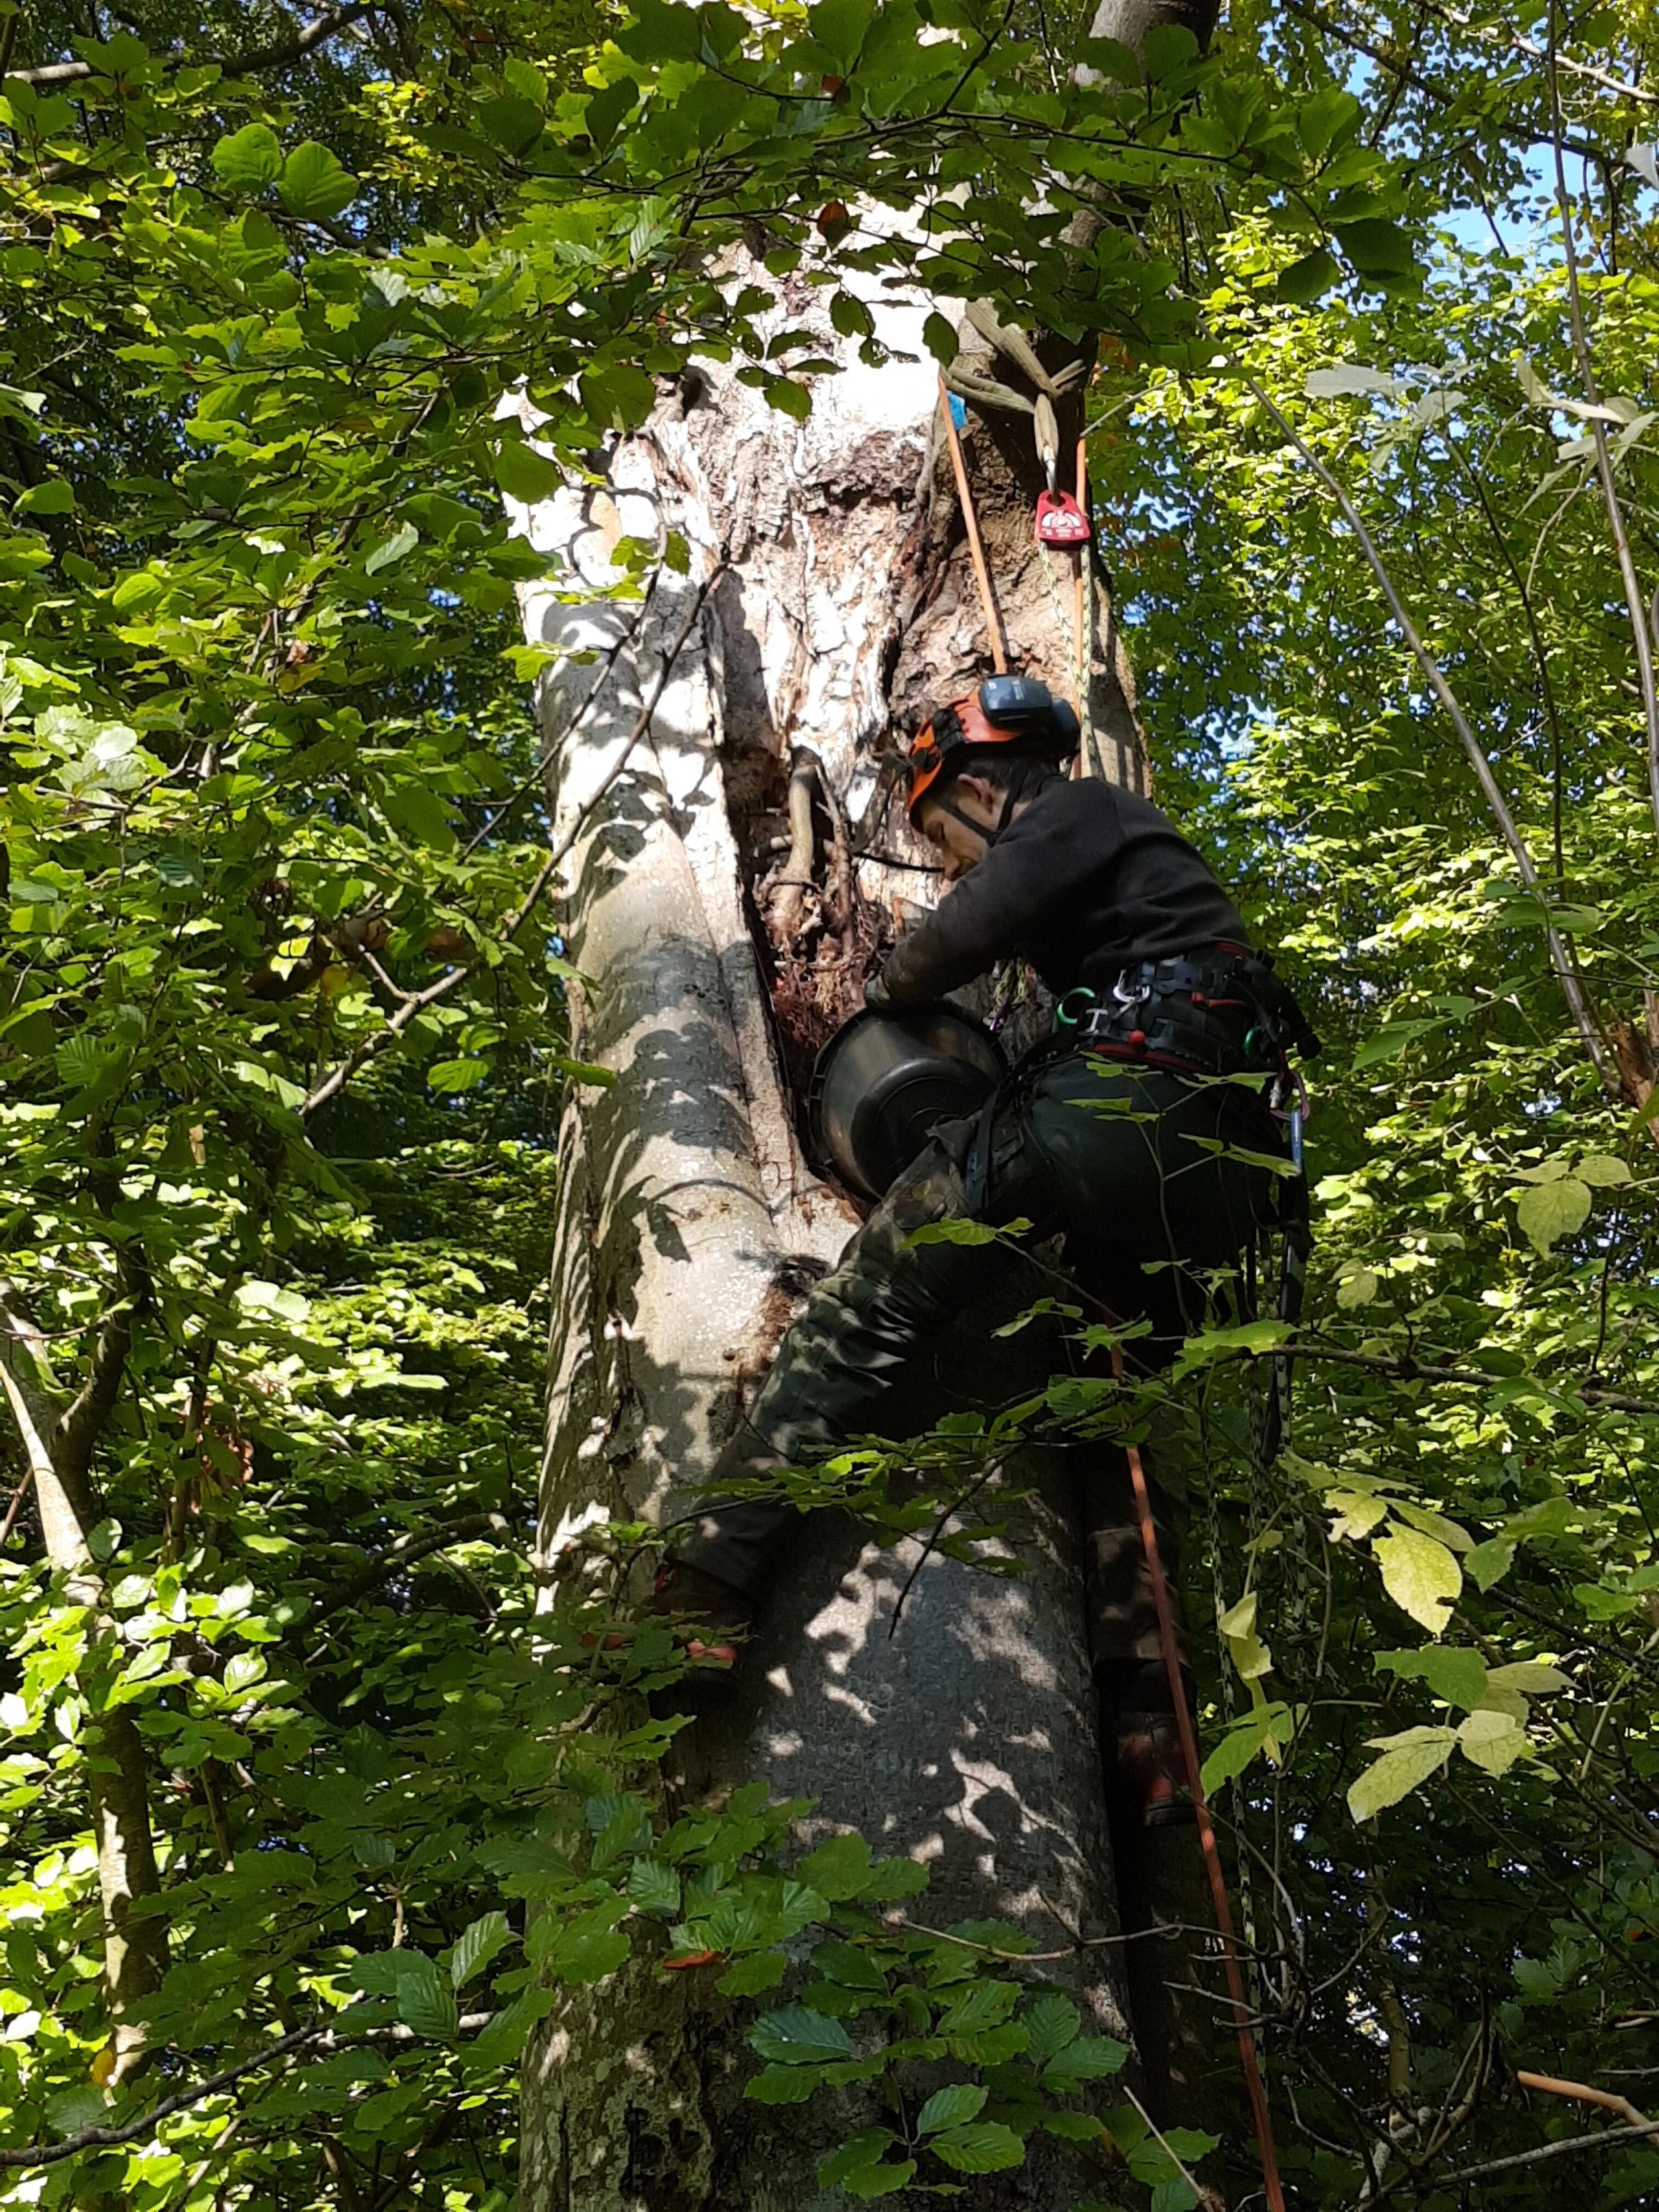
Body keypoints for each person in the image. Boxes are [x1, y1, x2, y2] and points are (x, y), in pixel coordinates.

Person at [650, 675, 1316, 1826]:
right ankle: (1146, 1722)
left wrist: (888, 979)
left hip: (1116, 1106)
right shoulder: (1146, 873)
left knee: (870, 1305)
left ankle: (708, 1576)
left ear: (974, 780)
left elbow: (935, 956)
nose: (950, 854)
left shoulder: (1074, 807)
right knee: (1108, 1412)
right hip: (1220, 1169)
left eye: (944, 828)